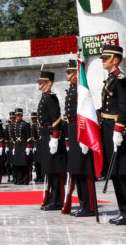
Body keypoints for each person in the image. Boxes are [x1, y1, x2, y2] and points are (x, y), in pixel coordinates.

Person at [100, 44, 126, 225]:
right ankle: (123, 211)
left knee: (125, 173)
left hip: (118, 130)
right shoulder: (110, 79)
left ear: (114, 59)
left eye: (105, 57)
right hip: (108, 128)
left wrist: (118, 129)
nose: (102, 60)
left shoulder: (121, 79)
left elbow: (125, 108)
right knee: (115, 172)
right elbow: (106, 108)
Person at [64, 58, 96, 217]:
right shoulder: (71, 90)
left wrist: (84, 138)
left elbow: (85, 112)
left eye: (70, 71)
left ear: (77, 74)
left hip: (80, 130)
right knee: (78, 170)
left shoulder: (81, 89)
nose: (67, 74)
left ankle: (89, 206)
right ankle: (83, 204)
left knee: (85, 170)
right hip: (72, 130)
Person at [37, 71, 67, 210]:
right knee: (50, 170)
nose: (39, 83)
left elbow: (56, 119)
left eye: (42, 81)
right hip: (45, 135)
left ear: (49, 83)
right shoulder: (44, 97)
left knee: (56, 170)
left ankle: (58, 201)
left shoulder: (51, 98)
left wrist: (55, 138)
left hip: (51, 136)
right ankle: (53, 199)